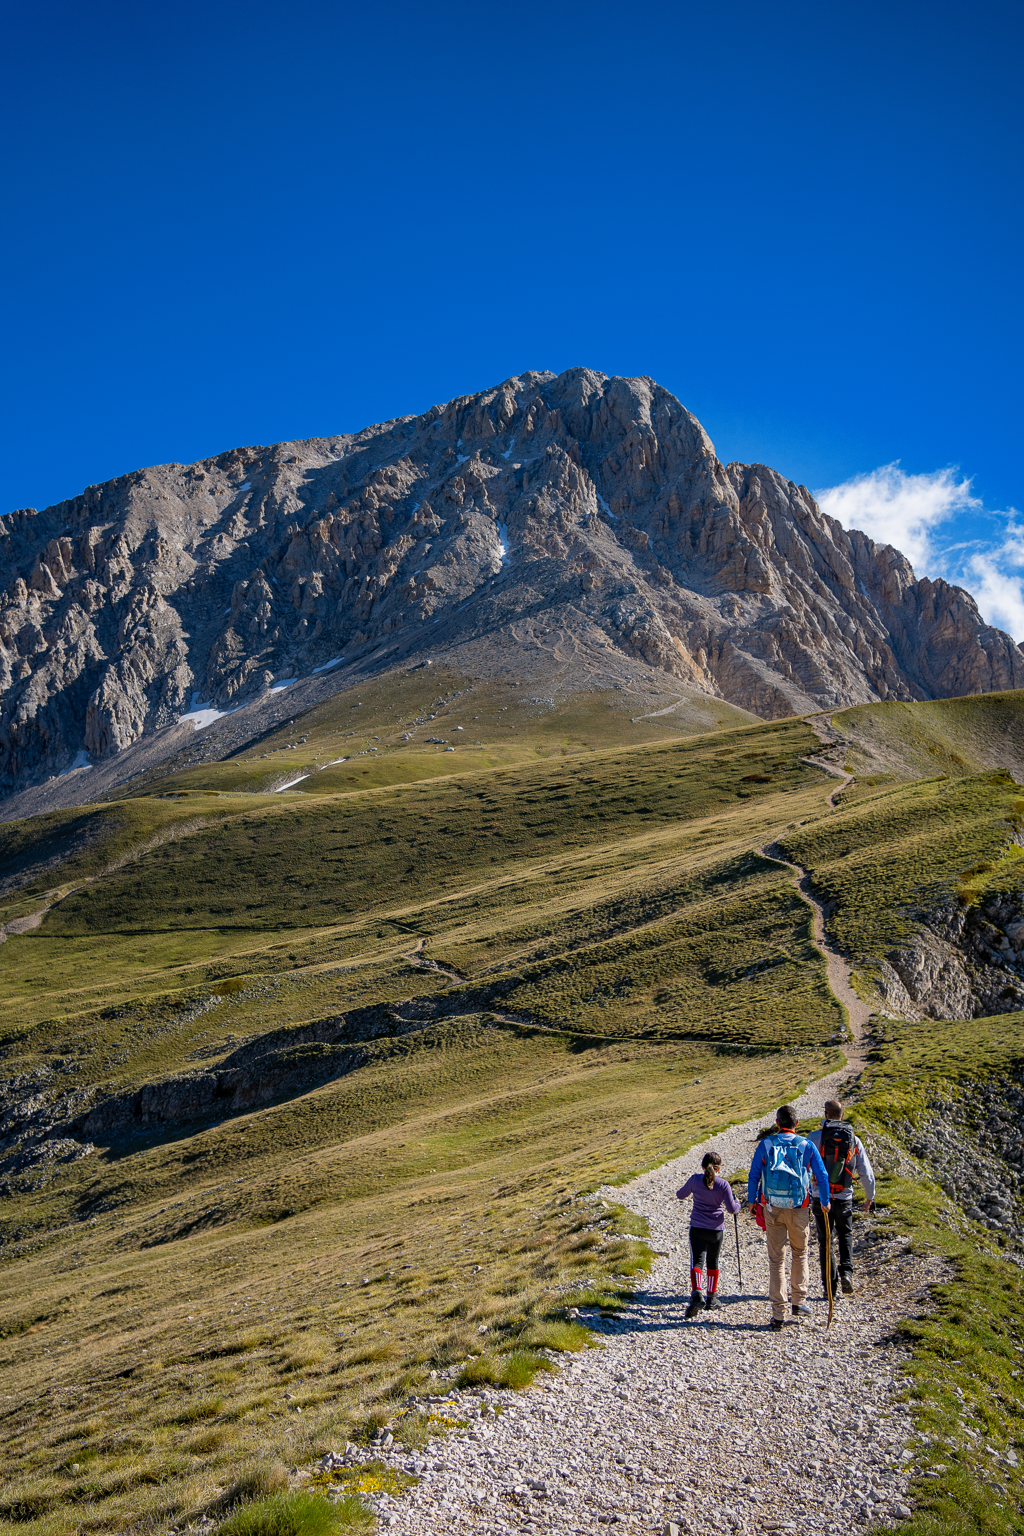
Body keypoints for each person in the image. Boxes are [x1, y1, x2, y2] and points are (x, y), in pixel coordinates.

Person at [747, 1104, 831, 1331]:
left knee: (776, 1260)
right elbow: (822, 1176)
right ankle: (798, 1301)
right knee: (800, 1252)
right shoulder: (806, 1145)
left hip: (772, 1208)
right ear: (796, 1124)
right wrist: (825, 1202)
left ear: (777, 1123)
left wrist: (753, 1201)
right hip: (799, 1208)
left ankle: (778, 1314)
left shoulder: (765, 1145)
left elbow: (754, 1175)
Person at [806, 1098, 876, 1296]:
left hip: (821, 1196)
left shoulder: (813, 1138)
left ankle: (830, 1286)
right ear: (842, 1115)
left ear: (825, 1115)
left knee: (825, 1239)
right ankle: (846, 1273)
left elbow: (804, 1169)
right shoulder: (854, 1139)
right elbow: (865, 1171)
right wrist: (870, 1196)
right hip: (844, 1196)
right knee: (845, 1234)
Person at [676, 1151, 741, 1318]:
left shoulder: (695, 1180)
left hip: (697, 1227)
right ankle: (711, 1298)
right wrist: (738, 1203)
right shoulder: (723, 1184)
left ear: (702, 1166)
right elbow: (732, 1209)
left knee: (697, 1261)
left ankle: (697, 1294)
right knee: (713, 1261)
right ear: (719, 1169)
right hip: (717, 1229)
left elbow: (680, 1195)